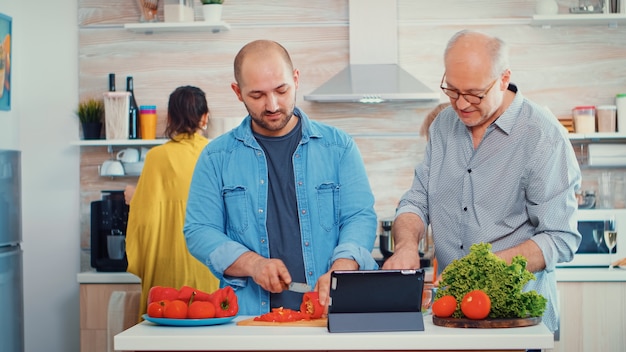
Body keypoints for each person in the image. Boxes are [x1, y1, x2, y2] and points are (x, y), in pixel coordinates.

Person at [382, 30, 581, 333]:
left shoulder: (542, 136)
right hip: (452, 319)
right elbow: (416, 201)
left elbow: (560, 237)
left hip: (517, 323)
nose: (461, 104)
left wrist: (480, 270)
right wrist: (407, 245)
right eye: (451, 91)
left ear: (504, 78)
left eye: (474, 94)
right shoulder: (442, 127)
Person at [183, 40, 378, 316]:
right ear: (237, 92)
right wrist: (253, 264)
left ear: (296, 79)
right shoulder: (216, 157)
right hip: (251, 320)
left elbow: (359, 216)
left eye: (281, 90)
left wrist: (342, 267)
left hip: (330, 316)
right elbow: (199, 230)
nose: (272, 105)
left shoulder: (339, 147)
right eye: (257, 95)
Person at [125, 86, 219, 322]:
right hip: (208, 266)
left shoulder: (156, 158)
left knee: (164, 336)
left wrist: (133, 199)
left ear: (170, 118)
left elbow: (144, 220)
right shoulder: (215, 154)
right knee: (209, 331)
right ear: (205, 117)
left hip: (165, 270)